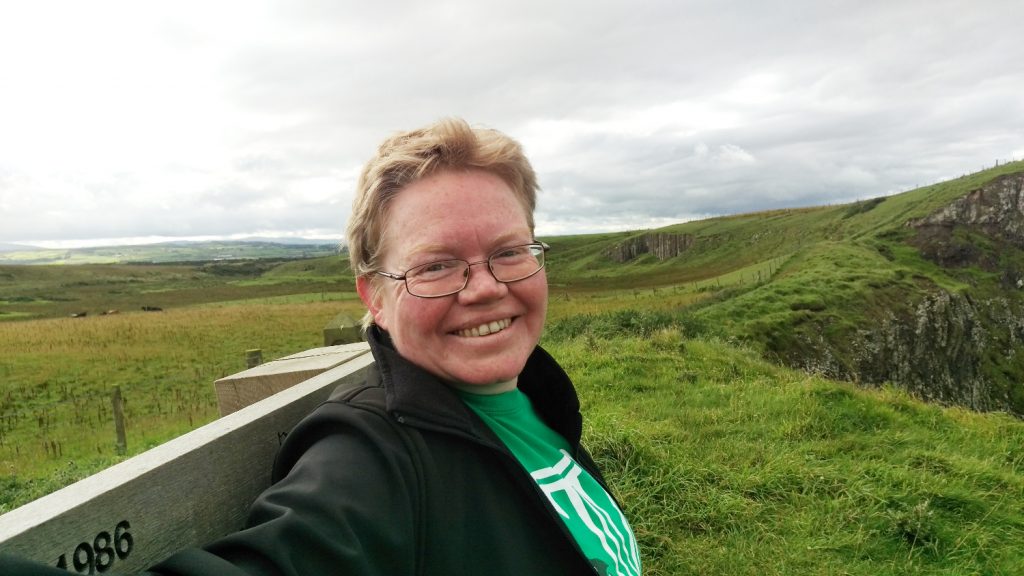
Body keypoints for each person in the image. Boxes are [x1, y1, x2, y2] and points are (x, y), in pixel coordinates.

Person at [1, 118, 641, 575]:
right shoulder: (371, 460)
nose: (485, 288)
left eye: (508, 251)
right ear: (375, 298)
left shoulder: (533, 395)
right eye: (436, 265)